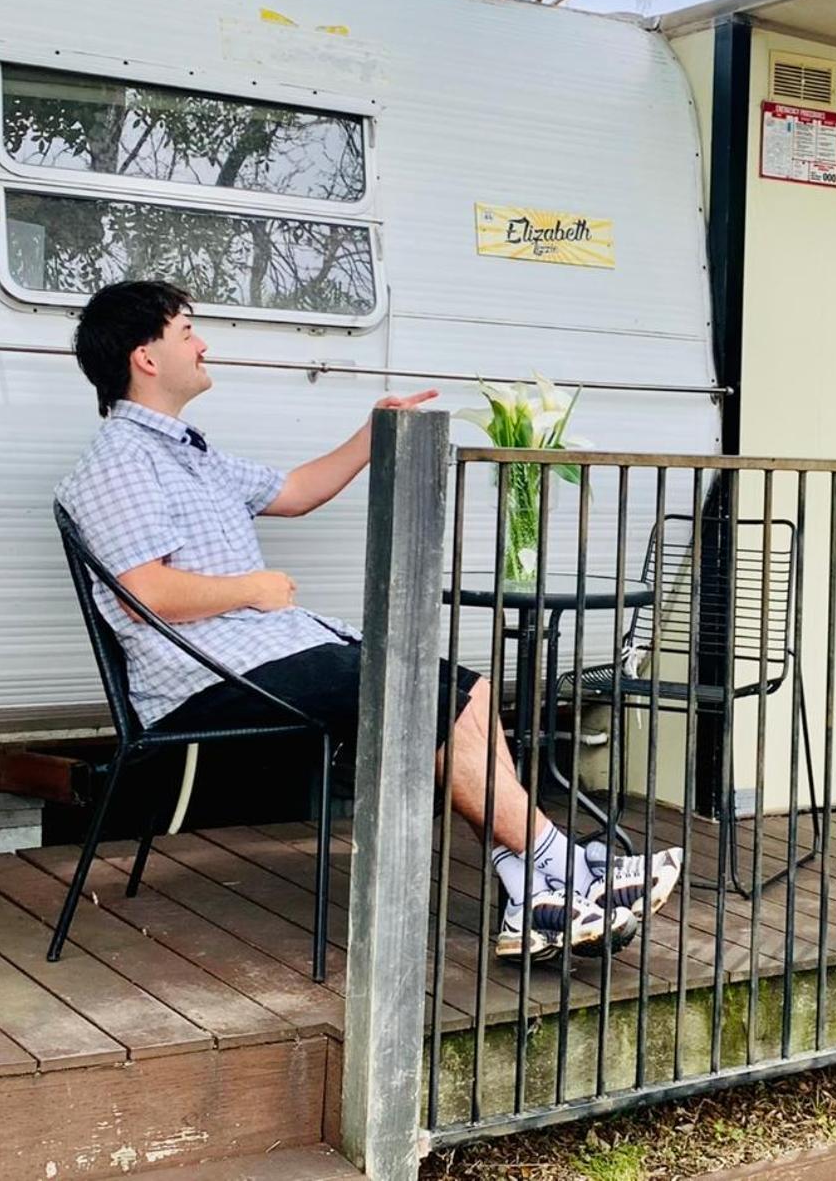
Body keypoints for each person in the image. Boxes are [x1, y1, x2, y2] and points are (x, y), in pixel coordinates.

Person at [57, 279, 684, 960]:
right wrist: (252, 588)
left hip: (266, 655)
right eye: (187, 332)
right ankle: (561, 865)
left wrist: (372, 430)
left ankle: (534, 890)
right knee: (426, 692)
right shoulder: (121, 459)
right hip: (208, 678)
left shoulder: (187, 452)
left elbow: (294, 492)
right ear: (146, 357)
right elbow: (139, 591)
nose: (202, 344)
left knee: (464, 689)